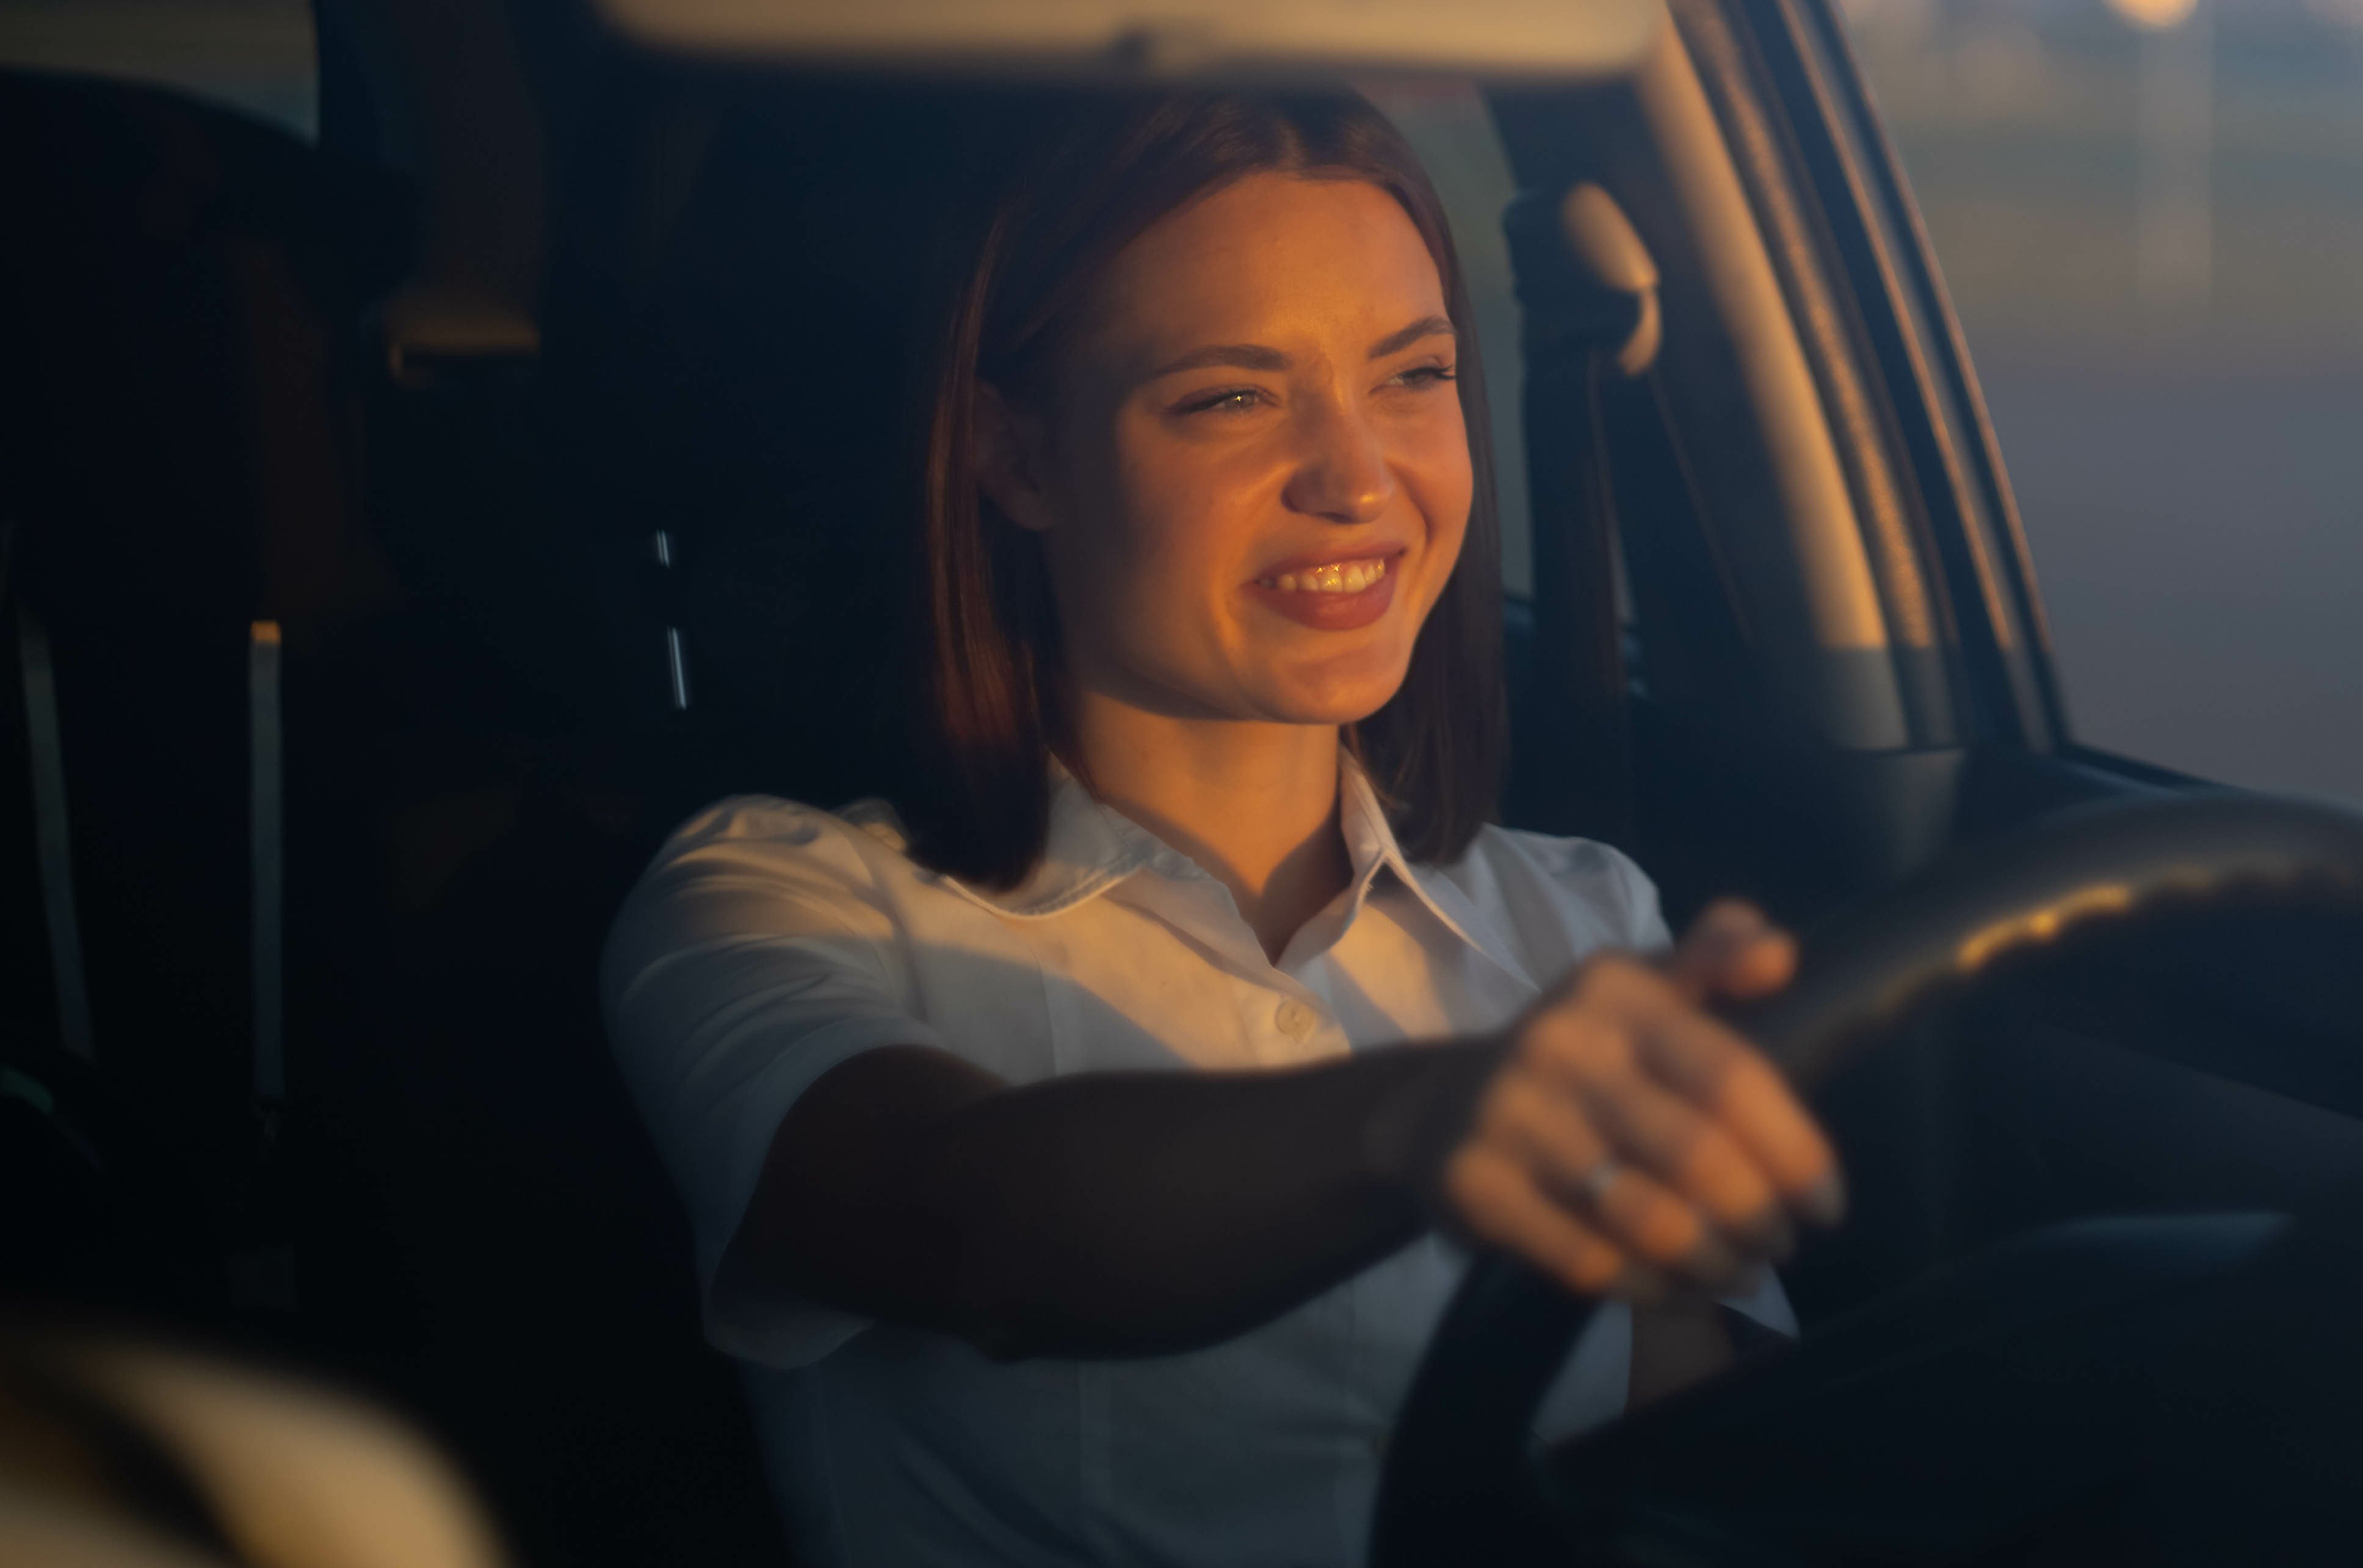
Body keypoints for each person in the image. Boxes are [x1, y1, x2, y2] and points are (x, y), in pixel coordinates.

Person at [601, 90, 1842, 1568]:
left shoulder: (1586, 923)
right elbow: (965, 1223)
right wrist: (1419, 1122)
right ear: (1017, 458)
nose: (1358, 479)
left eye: (1414, 374)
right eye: (1230, 397)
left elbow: (1712, 1486)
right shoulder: (780, 901)